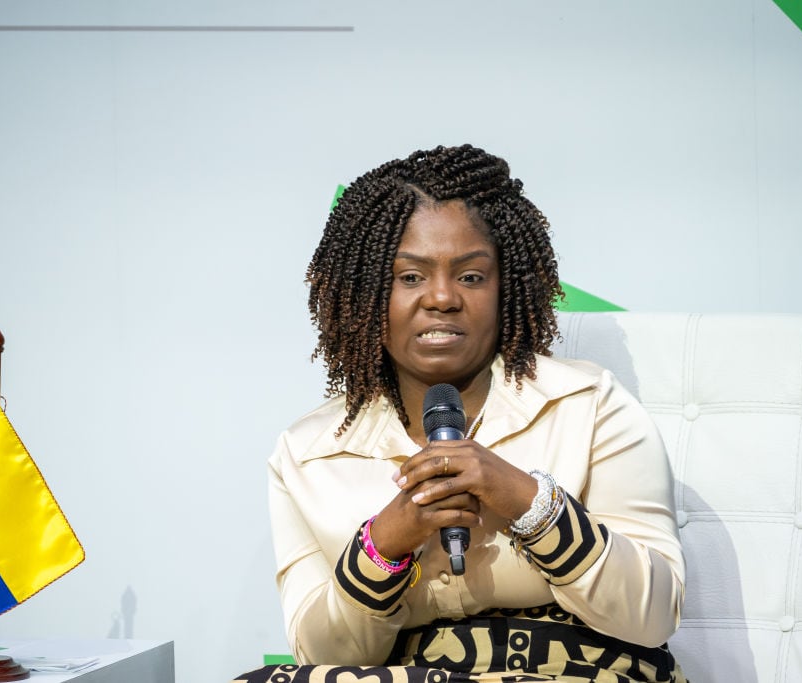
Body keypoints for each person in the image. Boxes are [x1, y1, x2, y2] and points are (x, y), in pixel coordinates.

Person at [236, 144, 686, 682]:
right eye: (409, 277)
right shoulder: (308, 454)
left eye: (471, 277)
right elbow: (325, 657)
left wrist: (525, 499)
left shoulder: (589, 406)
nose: (443, 298)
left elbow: (653, 615)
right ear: (362, 295)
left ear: (507, 288)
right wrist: (384, 545)